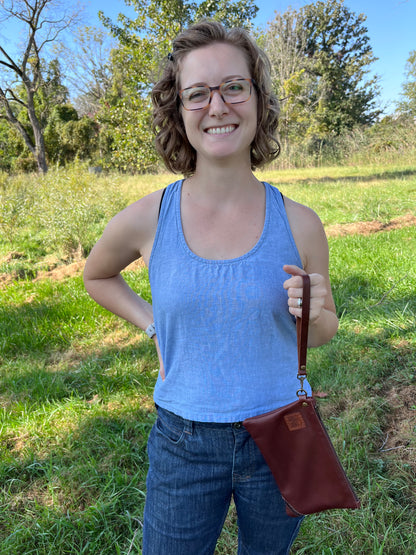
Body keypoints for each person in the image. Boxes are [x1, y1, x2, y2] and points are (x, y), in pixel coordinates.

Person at [83, 20, 339, 555]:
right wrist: (151, 322)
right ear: (178, 109)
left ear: (257, 97)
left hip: (280, 434)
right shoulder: (147, 218)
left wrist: (311, 314)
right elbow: (97, 275)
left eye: (233, 86)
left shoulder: (300, 223)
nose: (216, 106)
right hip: (183, 442)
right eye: (197, 93)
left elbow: (323, 334)